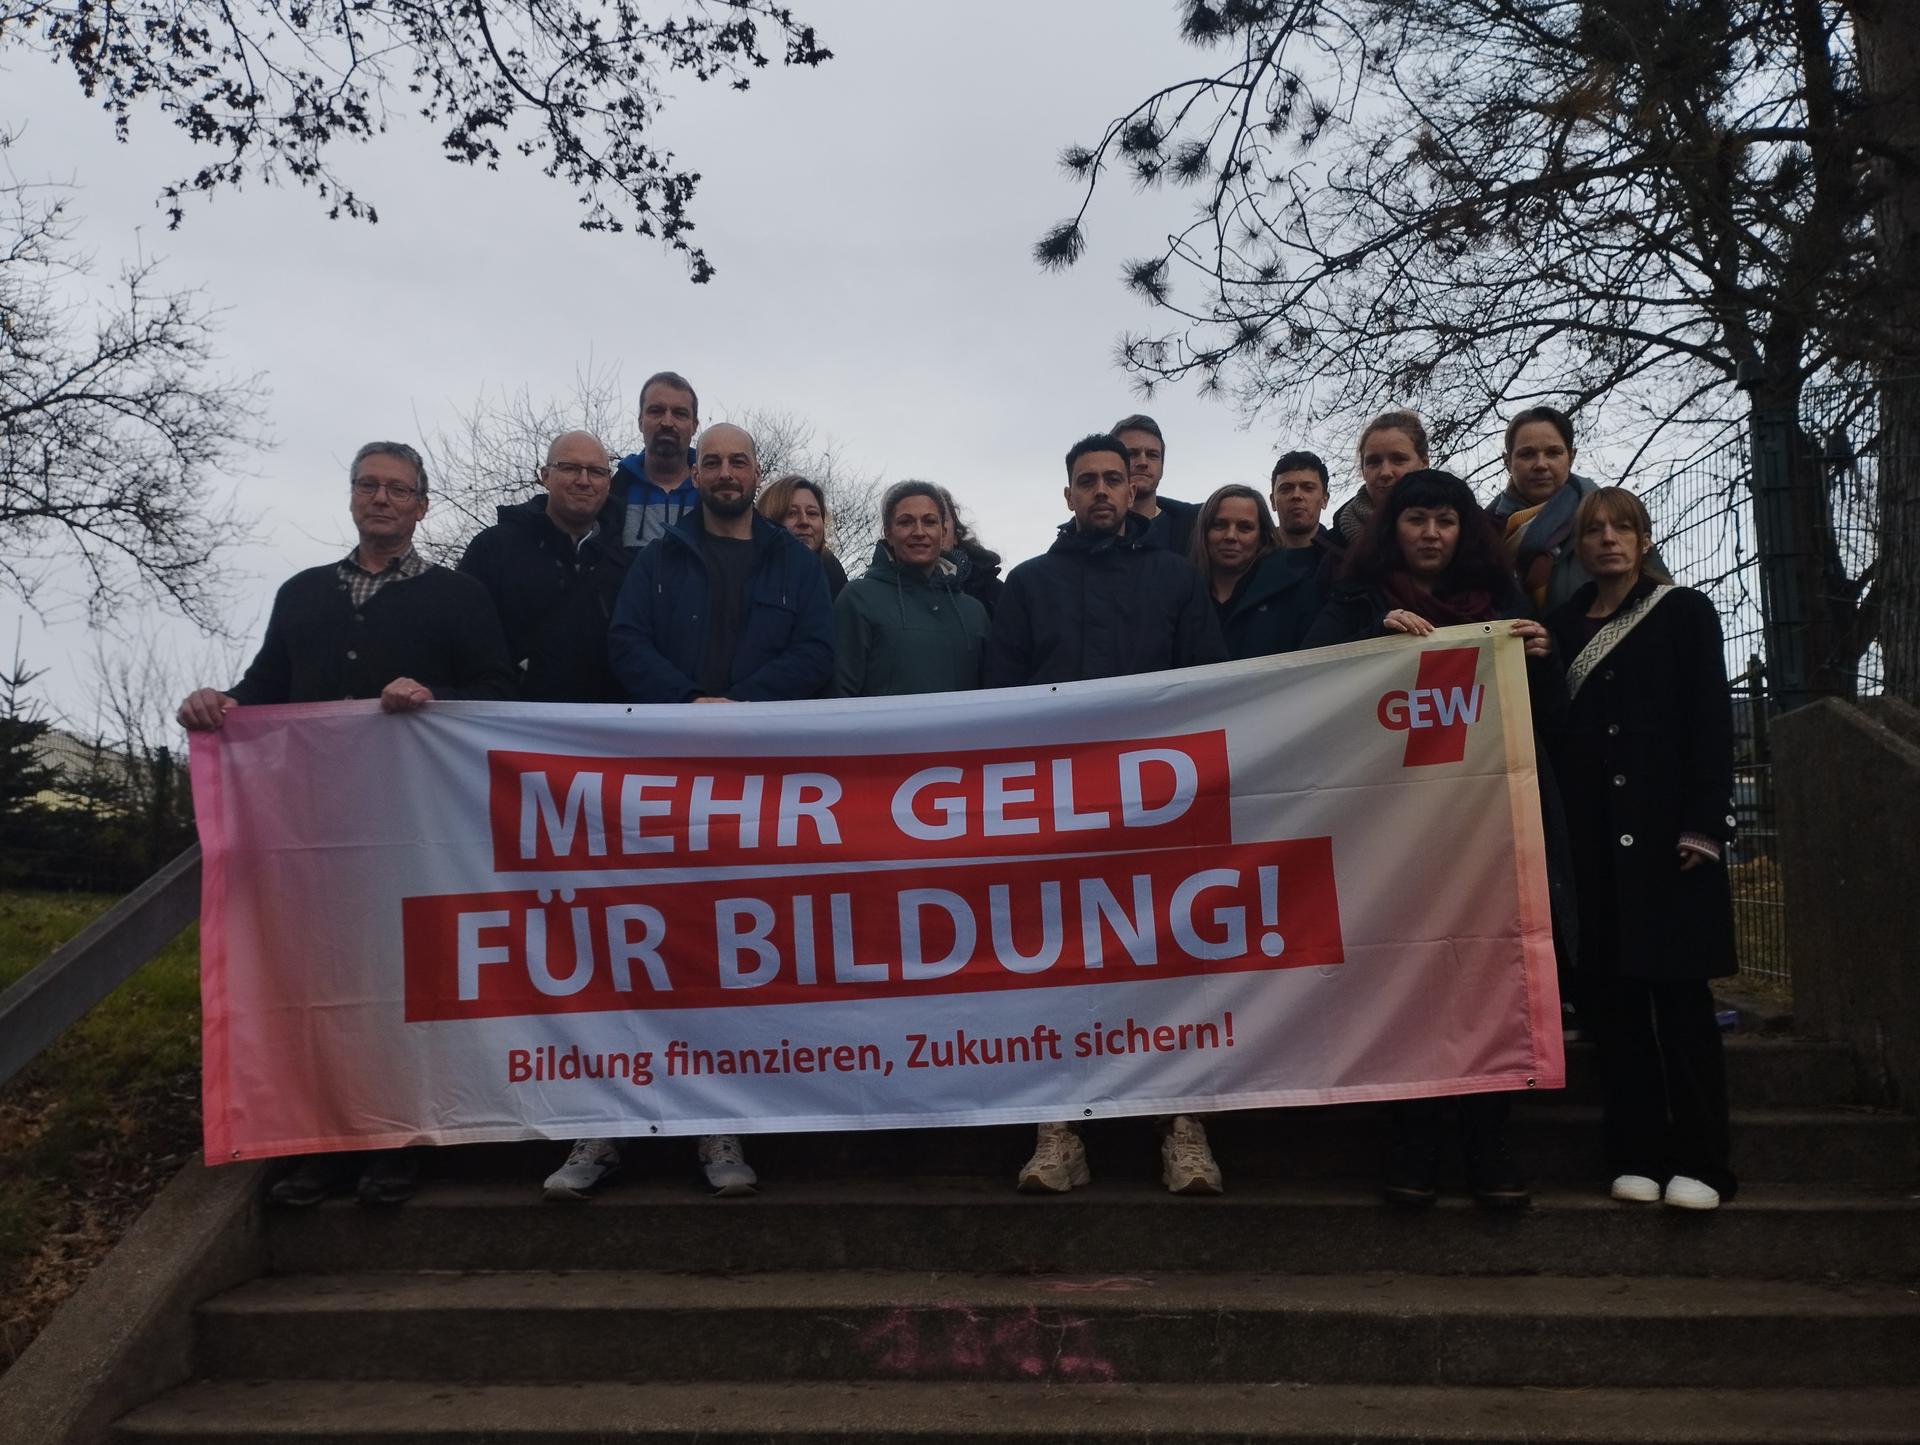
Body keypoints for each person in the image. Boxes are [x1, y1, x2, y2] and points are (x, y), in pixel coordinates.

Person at [176, 440, 516, 1208]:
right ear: (352, 496)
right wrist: (215, 704)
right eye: (370, 485)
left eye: (400, 489)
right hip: (310, 831)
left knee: (398, 983)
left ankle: (398, 1139)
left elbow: (494, 691)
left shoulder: (458, 596)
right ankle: (323, 1143)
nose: (384, 499)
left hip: (411, 832)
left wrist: (432, 694)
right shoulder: (301, 594)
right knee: (316, 983)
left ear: (423, 505)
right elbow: (263, 690)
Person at [1303, 468, 1556, 1210]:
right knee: (1405, 986)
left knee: (1487, 981)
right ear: (1394, 527)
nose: (1431, 535)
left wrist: (1540, 653)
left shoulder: (1505, 606)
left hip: (1484, 836)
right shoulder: (1354, 601)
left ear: (1464, 529)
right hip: (1389, 837)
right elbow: (1304, 685)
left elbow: (1543, 723)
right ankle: (1412, 1141)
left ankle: (1488, 1142)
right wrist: (1364, 644)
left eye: (1445, 521)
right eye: (1417, 520)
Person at [986, 432, 1228, 1196]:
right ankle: (1062, 1126)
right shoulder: (1028, 584)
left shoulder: (1175, 581)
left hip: (1160, 810)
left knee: (1168, 967)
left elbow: (1210, 687)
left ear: (1134, 489)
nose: (1099, 491)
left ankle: (1181, 1125)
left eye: (1112, 479)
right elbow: (1000, 698)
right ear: (1067, 495)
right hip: (1059, 815)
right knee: (1063, 968)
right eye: (1085, 480)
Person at [598, 422, 834, 1196]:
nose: (725, 472)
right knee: (661, 940)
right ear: (692, 473)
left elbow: (815, 652)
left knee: (748, 942)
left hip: (767, 779)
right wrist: (687, 703)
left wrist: (739, 707)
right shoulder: (657, 558)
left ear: (754, 470)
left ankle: (727, 1120)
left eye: (738, 461)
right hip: (669, 775)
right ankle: (607, 1126)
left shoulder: (796, 562)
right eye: (712, 461)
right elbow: (626, 641)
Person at [1544, 487, 1739, 1211]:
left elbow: (1711, 724)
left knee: (1682, 1007)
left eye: (1621, 529)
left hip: (1671, 843)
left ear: (1644, 537)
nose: (1607, 541)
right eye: (1593, 531)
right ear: (1578, 547)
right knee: (1614, 1009)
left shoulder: (1685, 612)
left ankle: (1705, 1161)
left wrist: (1703, 824)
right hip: (1593, 853)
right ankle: (1634, 1152)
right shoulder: (1558, 627)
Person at [456, 430, 631, 702]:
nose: (584, 481)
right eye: (570, 468)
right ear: (545, 475)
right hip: (516, 727)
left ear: (608, 482)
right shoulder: (493, 548)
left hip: (608, 729)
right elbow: (462, 639)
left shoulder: (630, 559)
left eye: (596, 471)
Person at [1490, 405, 1666, 615]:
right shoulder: (1482, 532)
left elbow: (1663, 599)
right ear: (1507, 462)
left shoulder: (1616, 520)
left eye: (1553, 453)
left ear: (1571, 458)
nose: (1540, 464)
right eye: (1527, 454)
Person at [834, 481, 988, 696]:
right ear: (888, 533)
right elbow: (840, 693)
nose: (919, 532)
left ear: (943, 532)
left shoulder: (974, 613)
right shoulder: (858, 599)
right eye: (906, 522)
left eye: (929, 522)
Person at [1189, 485, 1324, 659]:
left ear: (1262, 536)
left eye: (1245, 527)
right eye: (1219, 525)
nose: (1230, 536)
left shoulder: (1298, 594)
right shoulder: (1179, 595)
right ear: (1204, 531)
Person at [613, 371, 700, 548]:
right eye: (656, 411)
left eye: (680, 413)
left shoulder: (711, 492)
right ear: (640, 421)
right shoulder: (613, 493)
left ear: (694, 426)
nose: (667, 422)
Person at [1329, 410, 1429, 549]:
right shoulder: (1329, 547)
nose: (1385, 473)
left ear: (1423, 464)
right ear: (1363, 470)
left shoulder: (1461, 535)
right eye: (1373, 462)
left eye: (1398, 460)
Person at [1112, 413, 1199, 556]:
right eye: (1132, 454)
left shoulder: (1191, 530)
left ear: (1162, 465)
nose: (1143, 463)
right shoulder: (1086, 532)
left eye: (1152, 455)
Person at [759, 473, 848, 599]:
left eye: (812, 513)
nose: (804, 521)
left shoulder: (833, 574)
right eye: (792, 513)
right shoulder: (749, 572)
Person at [934, 485, 1006, 617]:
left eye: (940, 519)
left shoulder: (993, 593)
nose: (928, 530)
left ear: (956, 535)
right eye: (908, 522)